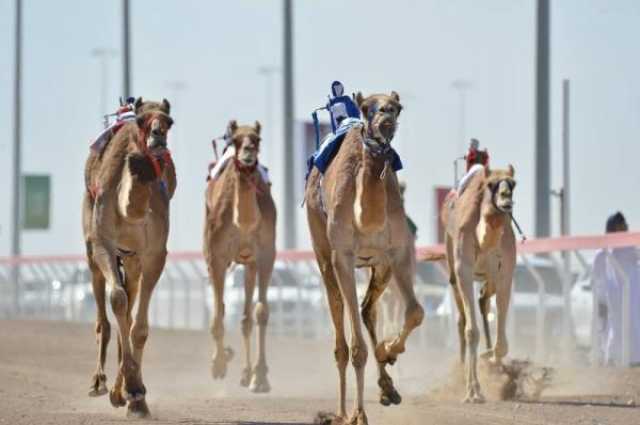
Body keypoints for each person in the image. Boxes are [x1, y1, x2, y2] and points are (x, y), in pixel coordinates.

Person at [592, 212, 640, 366]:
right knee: (614, 330)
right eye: (621, 225)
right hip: (614, 304)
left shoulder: (632, 251)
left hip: (633, 303)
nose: (625, 228)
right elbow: (597, 283)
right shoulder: (602, 255)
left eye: (625, 225)